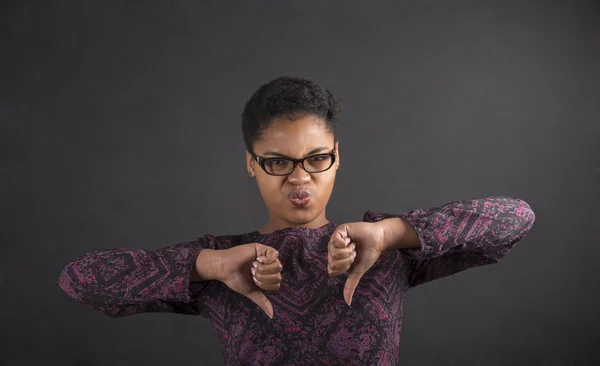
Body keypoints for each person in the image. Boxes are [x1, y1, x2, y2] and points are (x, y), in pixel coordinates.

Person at [58, 76, 536, 366]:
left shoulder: (381, 255)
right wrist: (210, 265)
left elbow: (515, 218)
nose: (300, 177)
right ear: (251, 163)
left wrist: (391, 233)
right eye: (278, 162)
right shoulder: (225, 266)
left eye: (317, 158)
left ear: (337, 157)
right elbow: (82, 280)